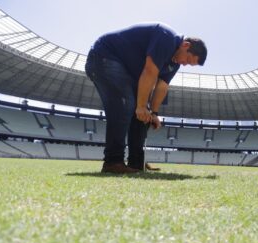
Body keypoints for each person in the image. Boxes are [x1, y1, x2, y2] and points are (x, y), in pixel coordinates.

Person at [85, 23, 207, 173]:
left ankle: (136, 164)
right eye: (188, 60)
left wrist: (153, 113)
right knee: (126, 104)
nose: (185, 64)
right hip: (105, 56)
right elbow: (149, 71)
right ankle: (113, 161)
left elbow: (162, 87)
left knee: (143, 116)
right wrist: (141, 106)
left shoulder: (174, 64)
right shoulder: (166, 38)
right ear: (185, 45)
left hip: (126, 72)